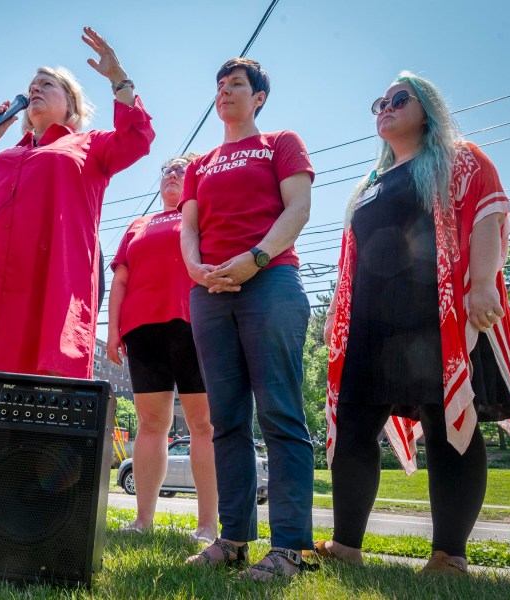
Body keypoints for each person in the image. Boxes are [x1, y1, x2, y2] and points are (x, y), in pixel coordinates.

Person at [322, 72, 510, 575]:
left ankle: (448, 555)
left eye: (398, 100)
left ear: (427, 109)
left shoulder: (461, 157)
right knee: (354, 428)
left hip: (436, 315)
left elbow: (488, 215)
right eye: (379, 104)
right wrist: (334, 315)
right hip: (368, 325)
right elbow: (351, 259)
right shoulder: (367, 185)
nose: (384, 108)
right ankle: (346, 545)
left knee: (446, 422)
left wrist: (481, 283)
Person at [0, 27, 154, 407]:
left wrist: (118, 79)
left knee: (40, 393)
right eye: (31, 86)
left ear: (71, 103)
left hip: (51, 279)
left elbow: (137, 138)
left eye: (47, 84)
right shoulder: (5, 156)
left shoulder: (89, 144)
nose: (35, 90)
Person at [180, 58, 315, 580]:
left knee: (280, 414)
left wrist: (255, 258)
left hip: (271, 282)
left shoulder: (280, 142)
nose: (225, 92)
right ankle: (234, 537)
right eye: (219, 86)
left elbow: (298, 210)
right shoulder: (201, 162)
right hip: (210, 292)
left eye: (236, 84)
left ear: (258, 97)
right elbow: (188, 228)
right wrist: (195, 269)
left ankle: (290, 550)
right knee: (226, 421)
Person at [107, 153, 217, 541]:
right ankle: (142, 520)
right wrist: (113, 331)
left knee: (203, 425)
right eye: (167, 169)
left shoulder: (204, 214)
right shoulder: (138, 224)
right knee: (151, 425)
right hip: (143, 331)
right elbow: (120, 281)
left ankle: (208, 526)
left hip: (195, 325)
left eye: (181, 168)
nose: (172, 173)